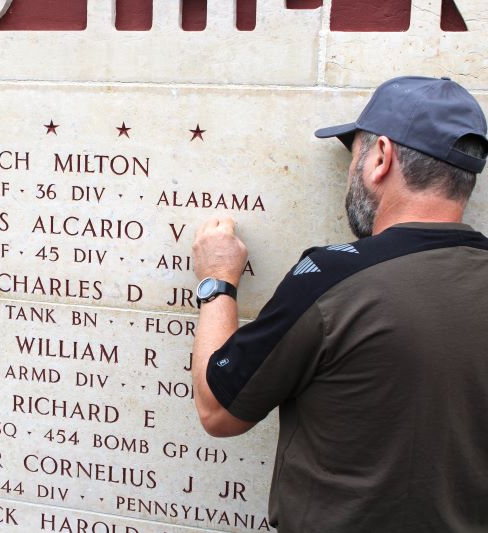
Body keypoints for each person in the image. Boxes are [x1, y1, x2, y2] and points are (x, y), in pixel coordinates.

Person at [190, 76, 488, 532]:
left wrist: (217, 281)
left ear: (381, 158)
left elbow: (218, 411)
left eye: (354, 158)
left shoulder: (334, 277)